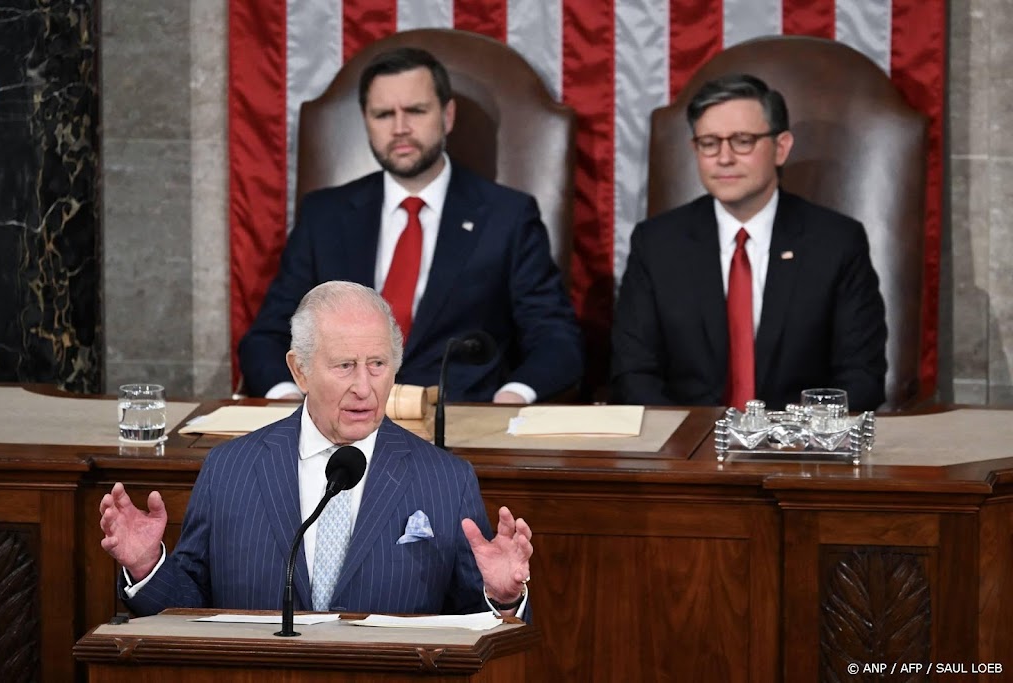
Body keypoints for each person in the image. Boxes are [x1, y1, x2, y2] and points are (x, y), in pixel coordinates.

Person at [100, 281, 533, 617]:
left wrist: (501, 596)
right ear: (300, 371)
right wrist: (146, 567)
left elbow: (472, 630)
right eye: (345, 366)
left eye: (378, 365)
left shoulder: (446, 481)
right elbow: (189, 611)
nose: (364, 387)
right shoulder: (230, 469)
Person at [239, 46, 582, 405]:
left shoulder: (507, 216)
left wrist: (513, 396)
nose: (400, 128)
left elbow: (556, 338)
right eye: (384, 114)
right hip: (338, 422)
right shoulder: (324, 215)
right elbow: (268, 335)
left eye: (415, 111)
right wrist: (289, 398)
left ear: (447, 116)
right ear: (366, 121)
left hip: (460, 424)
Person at [611, 74, 886, 411]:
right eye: (709, 143)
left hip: (798, 451)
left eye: (742, 141)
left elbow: (862, 377)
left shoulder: (836, 242)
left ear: (781, 147)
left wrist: (790, 440)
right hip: (686, 450)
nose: (724, 158)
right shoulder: (656, 244)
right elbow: (632, 374)